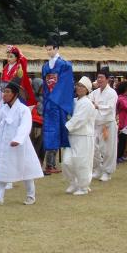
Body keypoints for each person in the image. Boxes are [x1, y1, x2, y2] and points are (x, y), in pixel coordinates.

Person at [0, 81, 43, 205]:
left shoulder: (23, 109)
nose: (4, 94)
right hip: (5, 144)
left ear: (15, 94)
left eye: (7, 92)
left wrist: (18, 138)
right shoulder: (3, 109)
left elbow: (25, 125)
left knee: (26, 170)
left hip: (20, 144)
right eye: (4, 92)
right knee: (1, 169)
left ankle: (30, 195)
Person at [40, 37, 74, 174]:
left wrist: (54, 99)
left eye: (50, 49)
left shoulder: (65, 65)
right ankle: (50, 164)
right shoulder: (45, 66)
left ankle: (58, 162)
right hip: (50, 104)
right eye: (47, 49)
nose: (48, 52)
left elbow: (66, 85)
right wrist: (47, 100)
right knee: (50, 132)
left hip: (59, 104)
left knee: (60, 131)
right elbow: (45, 86)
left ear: (56, 48)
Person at [62, 77, 96, 195]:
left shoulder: (87, 103)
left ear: (87, 90)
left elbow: (78, 120)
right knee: (67, 162)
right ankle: (73, 182)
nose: (79, 88)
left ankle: (83, 186)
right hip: (72, 136)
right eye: (78, 85)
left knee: (82, 162)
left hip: (83, 136)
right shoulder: (73, 101)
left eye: (82, 86)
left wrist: (64, 128)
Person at [90, 69, 118, 182]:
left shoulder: (112, 93)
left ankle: (107, 171)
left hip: (107, 124)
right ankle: (97, 169)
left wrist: (98, 106)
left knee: (107, 150)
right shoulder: (95, 92)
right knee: (93, 148)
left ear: (107, 79)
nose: (99, 79)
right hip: (96, 124)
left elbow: (110, 108)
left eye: (102, 77)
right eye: (98, 77)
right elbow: (89, 101)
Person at [115, 81, 127, 162]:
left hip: (126, 122)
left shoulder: (125, 97)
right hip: (122, 122)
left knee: (124, 139)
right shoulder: (121, 98)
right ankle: (118, 156)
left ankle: (121, 155)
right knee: (121, 140)